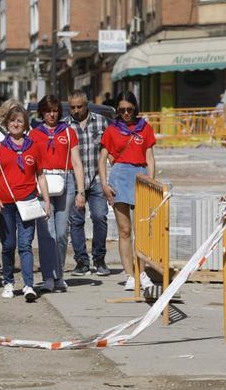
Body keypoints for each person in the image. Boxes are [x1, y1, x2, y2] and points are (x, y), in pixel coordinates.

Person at [0, 105, 51, 302]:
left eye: (20, 121)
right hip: (5, 203)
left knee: (25, 245)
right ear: (7, 124)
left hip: (28, 202)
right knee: (8, 245)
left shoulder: (34, 147)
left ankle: (29, 285)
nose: (15, 124)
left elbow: (40, 176)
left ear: (25, 125)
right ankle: (8, 281)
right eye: (12, 120)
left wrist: (46, 201)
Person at [98, 91, 156, 292]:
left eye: (129, 109)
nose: (125, 113)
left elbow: (150, 157)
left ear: (135, 108)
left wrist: (151, 180)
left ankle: (141, 272)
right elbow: (102, 157)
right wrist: (104, 183)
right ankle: (129, 274)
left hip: (140, 176)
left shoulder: (145, 127)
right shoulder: (112, 129)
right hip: (120, 177)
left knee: (142, 231)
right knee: (125, 230)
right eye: (121, 110)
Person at [29, 95, 85, 293]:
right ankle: (48, 276)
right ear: (41, 112)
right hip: (43, 182)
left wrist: (81, 191)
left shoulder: (69, 132)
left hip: (66, 180)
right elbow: (30, 163)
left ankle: (59, 273)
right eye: (47, 111)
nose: (51, 115)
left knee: (61, 233)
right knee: (47, 233)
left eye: (54, 111)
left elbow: (77, 162)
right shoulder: (34, 134)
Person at [65, 90, 110, 277]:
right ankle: (82, 261)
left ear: (87, 104)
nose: (76, 110)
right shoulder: (65, 126)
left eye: (79, 106)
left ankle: (99, 258)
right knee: (76, 221)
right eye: (72, 107)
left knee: (100, 217)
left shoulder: (100, 122)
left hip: (97, 178)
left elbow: (108, 149)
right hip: (75, 182)